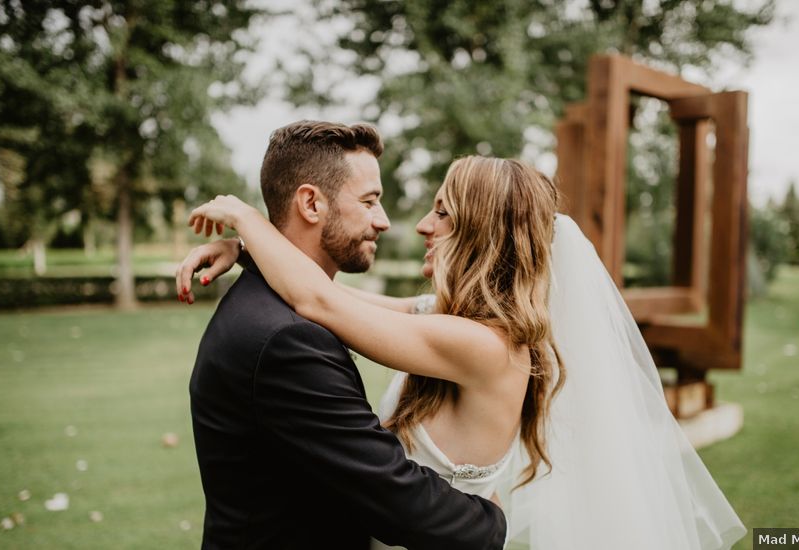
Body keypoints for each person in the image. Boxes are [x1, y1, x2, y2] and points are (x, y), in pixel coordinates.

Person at [180, 135, 747, 549]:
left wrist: (244, 219)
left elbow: (322, 304)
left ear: (480, 233)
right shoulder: (446, 320)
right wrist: (250, 256)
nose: (421, 225)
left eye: (443, 212)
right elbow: (345, 303)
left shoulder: (484, 347)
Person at [184, 120, 507, 550]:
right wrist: (492, 524)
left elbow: (324, 297)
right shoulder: (288, 338)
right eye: (370, 201)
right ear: (311, 204)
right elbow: (393, 494)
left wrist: (248, 246)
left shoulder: (276, 306)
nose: (386, 222)